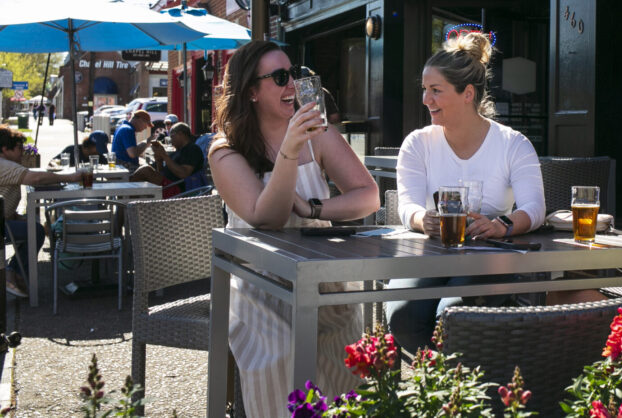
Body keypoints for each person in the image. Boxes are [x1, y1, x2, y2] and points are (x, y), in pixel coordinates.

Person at [209, 40, 379, 416]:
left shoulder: (316, 132)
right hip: (258, 282)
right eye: (280, 77)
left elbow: (369, 196)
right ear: (251, 91)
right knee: (281, 355)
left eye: (295, 74)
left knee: (347, 359)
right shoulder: (226, 150)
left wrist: (315, 206)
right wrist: (290, 149)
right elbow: (264, 217)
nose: (292, 86)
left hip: (320, 275)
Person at [385, 32, 545, 353]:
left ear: (467, 93)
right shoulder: (418, 143)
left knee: (453, 315)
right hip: (433, 253)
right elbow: (408, 206)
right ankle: (439, 380)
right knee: (403, 315)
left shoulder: (512, 143)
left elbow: (535, 207)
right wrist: (422, 220)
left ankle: (461, 388)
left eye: (435, 91)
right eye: (424, 90)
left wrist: (504, 224)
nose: (425, 100)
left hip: (490, 255)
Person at [0, 125, 82, 297]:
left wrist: (16, 216)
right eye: (18, 148)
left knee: (33, 227)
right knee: (35, 231)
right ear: (5, 149)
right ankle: (12, 273)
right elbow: (36, 178)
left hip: (4, 221)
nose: (22, 152)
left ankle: (15, 274)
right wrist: (71, 177)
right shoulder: (4, 165)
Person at [130, 122, 204, 198]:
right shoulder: (177, 151)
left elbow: (184, 174)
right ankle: (127, 200)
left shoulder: (192, 149)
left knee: (145, 170)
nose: (171, 141)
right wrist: (159, 161)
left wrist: (164, 156)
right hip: (168, 185)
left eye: (172, 136)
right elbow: (162, 173)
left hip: (178, 189)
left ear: (181, 134)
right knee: (143, 174)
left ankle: (125, 201)